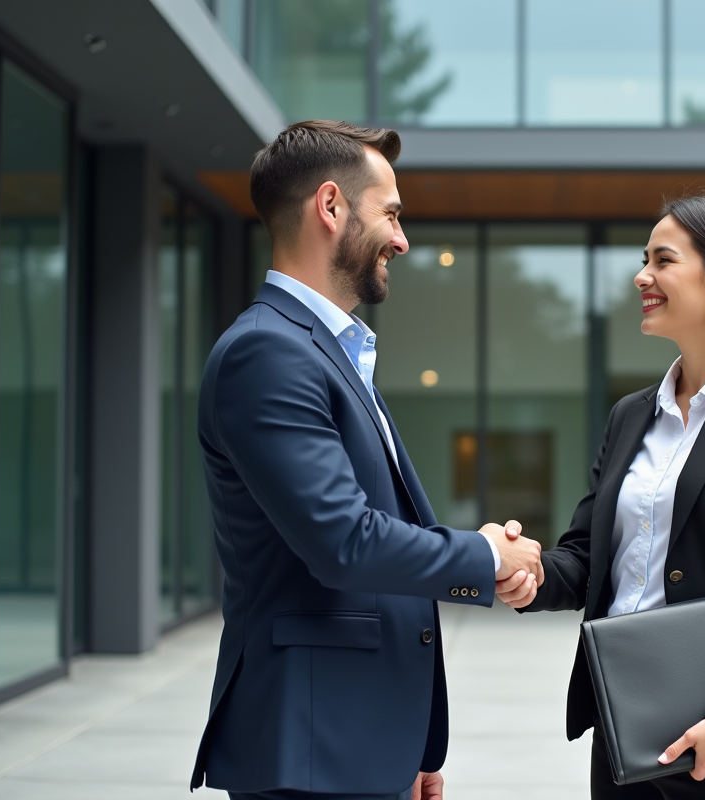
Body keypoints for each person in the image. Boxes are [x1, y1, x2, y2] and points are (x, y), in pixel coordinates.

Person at [189, 120, 543, 800]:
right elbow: (344, 541)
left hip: (350, 743)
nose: (403, 240)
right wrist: (487, 555)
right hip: (312, 751)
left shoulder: (325, 352)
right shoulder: (268, 353)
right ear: (330, 207)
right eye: (391, 214)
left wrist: (392, 747)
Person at [496, 194, 705, 799]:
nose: (641, 276)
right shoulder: (632, 415)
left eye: (662, 260)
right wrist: (526, 572)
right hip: (622, 722)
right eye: (644, 259)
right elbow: (585, 559)